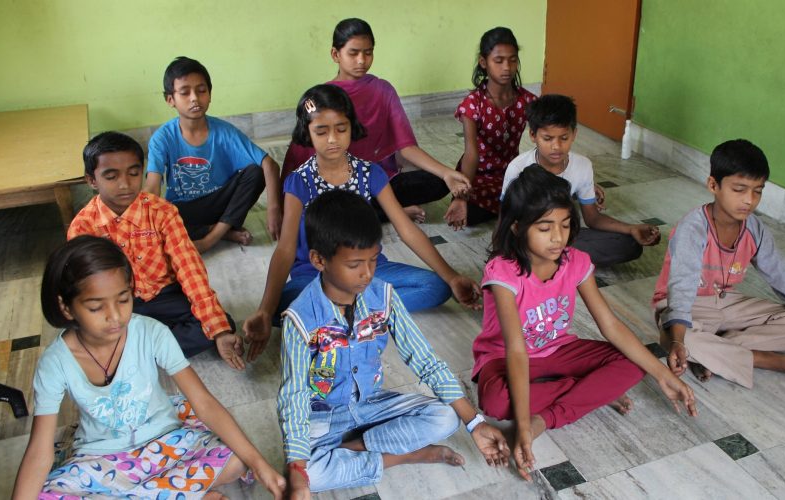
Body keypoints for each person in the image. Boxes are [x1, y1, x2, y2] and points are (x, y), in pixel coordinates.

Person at [11, 236, 285, 499]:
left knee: (236, 461)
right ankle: (181, 493)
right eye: (96, 307)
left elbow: (203, 402)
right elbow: (39, 451)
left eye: (123, 299)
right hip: (104, 458)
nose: (116, 316)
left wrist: (259, 464)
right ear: (66, 307)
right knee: (48, 493)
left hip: (169, 440)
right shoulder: (55, 362)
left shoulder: (151, 332)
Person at [278, 190, 509, 495]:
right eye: (354, 264)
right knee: (309, 478)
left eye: (373, 260)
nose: (367, 273)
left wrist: (476, 424)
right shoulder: (298, 319)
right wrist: (297, 469)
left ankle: (356, 447)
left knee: (447, 417)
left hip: (372, 405)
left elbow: (425, 360)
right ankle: (405, 455)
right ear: (319, 260)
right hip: (323, 415)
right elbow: (293, 396)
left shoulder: (383, 295)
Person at [475, 165, 697, 481]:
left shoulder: (575, 261)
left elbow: (610, 325)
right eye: (544, 227)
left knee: (635, 363)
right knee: (496, 401)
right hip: (503, 357)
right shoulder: (502, 272)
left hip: (559, 349)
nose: (557, 237)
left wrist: (662, 375)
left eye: (565, 225)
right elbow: (515, 350)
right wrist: (521, 425)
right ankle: (595, 391)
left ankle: (552, 415)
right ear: (516, 228)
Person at [243, 84, 481, 363]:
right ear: (306, 133)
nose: (333, 139)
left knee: (436, 288)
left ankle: (342, 316)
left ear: (351, 127)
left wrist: (451, 276)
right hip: (315, 276)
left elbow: (406, 229)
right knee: (280, 307)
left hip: (371, 270)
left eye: (341, 129)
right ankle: (365, 313)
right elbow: (285, 250)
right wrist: (263, 309)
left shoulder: (370, 173)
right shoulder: (299, 181)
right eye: (321, 131)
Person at [654, 139, 785, 388]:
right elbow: (682, 289)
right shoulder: (693, 229)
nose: (749, 200)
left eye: (758, 190)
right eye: (739, 189)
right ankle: (761, 359)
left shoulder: (754, 228)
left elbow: (782, 274)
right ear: (713, 185)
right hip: (686, 306)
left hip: (727, 302)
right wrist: (676, 342)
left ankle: (717, 353)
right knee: (682, 342)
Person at [68, 131, 246, 367]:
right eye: (111, 176)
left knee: (220, 324)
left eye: (134, 174)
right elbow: (88, 290)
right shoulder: (83, 227)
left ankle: (131, 353)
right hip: (118, 303)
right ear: (91, 180)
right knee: (89, 331)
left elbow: (189, 269)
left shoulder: (162, 212)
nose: (125, 184)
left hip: (165, 294)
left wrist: (218, 330)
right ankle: (144, 347)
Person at [281, 18, 471, 222]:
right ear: (336, 54)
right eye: (353, 53)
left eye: (368, 52)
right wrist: (279, 203)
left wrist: (446, 173)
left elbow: (405, 146)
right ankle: (389, 212)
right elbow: (299, 152)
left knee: (437, 181)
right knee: (322, 205)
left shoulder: (383, 90)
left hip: (376, 181)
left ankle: (379, 210)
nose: (362, 60)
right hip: (334, 184)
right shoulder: (322, 97)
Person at [502, 94, 661, 267]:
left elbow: (593, 218)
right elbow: (506, 220)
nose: (556, 146)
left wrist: (631, 228)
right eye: (547, 139)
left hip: (563, 235)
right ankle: (555, 261)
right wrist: (502, 256)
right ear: (533, 135)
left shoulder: (583, 165)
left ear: (574, 134)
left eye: (564, 138)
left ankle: (554, 261)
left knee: (630, 244)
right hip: (531, 237)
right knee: (526, 247)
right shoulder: (518, 168)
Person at [144, 56, 282, 253]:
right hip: (184, 210)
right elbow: (152, 185)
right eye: (185, 93)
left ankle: (210, 239)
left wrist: (273, 209)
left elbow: (269, 165)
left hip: (221, 203)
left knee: (255, 172)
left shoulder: (224, 132)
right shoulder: (162, 138)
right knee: (161, 219)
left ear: (209, 93)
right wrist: (143, 216)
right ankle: (223, 231)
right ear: (170, 100)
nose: (194, 98)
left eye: (201, 91)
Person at [445, 26, 538, 229]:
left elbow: (548, 141)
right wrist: (462, 197)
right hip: (477, 176)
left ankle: (508, 207)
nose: (507, 67)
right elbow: (471, 154)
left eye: (513, 60)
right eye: (499, 60)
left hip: (511, 173)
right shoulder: (472, 104)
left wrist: (577, 179)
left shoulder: (528, 100)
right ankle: (506, 208)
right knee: (468, 213)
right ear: (483, 62)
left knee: (537, 190)